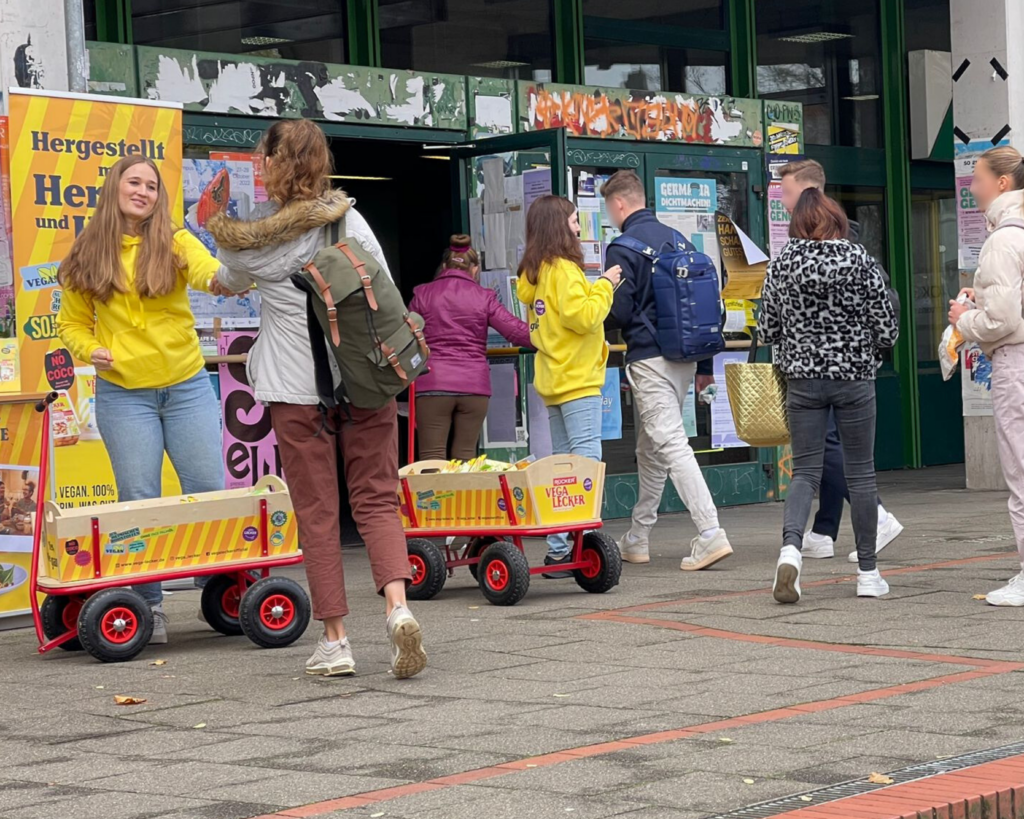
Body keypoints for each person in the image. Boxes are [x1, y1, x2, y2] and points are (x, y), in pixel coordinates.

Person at [208, 119, 426, 678]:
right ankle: (398, 609)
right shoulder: (349, 220)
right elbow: (386, 293)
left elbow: (225, 281)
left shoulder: (251, 244)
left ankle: (336, 641)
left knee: (318, 513)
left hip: (294, 391)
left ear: (273, 165)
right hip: (364, 383)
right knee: (377, 498)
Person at [57, 155, 229, 645]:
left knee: (208, 489)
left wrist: (232, 273)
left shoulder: (175, 240)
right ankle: (148, 606)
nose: (143, 191)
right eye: (134, 182)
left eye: (151, 186)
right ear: (115, 188)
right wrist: (91, 350)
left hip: (187, 385)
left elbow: (209, 274)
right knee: (139, 501)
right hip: (123, 394)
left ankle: (225, 589)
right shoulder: (87, 252)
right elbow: (70, 323)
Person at [758, 188, 898, 604]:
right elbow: (887, 328)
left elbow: (766, 329)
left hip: (801, 381)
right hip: (855, 378)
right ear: (836, 218)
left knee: (805, 472)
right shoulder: (859, 260)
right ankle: (868, 573)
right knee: (861, 472)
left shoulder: (782, 264)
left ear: (797, 225)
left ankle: (790, 551)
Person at [602, 170, 732, 570]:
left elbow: (619, 311)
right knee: (650, 446)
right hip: (685, 356)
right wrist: (705, 364)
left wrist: (594, 303)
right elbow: (709, 302)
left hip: (649, 358)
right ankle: (638, 536)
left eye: (610, 207)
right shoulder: (679, 239)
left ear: (619, 204)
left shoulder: (622, 248)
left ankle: (711, 532)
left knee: (669, 441)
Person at [516, 195, 621, 578]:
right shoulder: (564, 269)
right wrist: (606, 284)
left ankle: (559, 548)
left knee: (562, 465)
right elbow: (585, 316)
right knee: (585, 463)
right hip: (578, 378)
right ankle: (583, 537)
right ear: (561, 226)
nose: (579, 228)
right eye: (576, 221)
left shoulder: (535, 272)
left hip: (554, 378)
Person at [948, 146, 1024, 606]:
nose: (971, 185)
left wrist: (962, 318)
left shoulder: (1001, 240)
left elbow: (1001, 320)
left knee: (1019, 468)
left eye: (977, 177)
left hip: (1015, 362)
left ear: (1001, 183)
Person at [409, 236, 531, 461]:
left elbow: (407, 336)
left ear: (445, 266)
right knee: (465, 456)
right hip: (474, 387)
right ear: (475, 269)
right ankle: (462, 497)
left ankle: (433, 497)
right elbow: (514, 330)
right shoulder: (484, 297)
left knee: (431, 457)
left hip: (432, 383)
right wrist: (552, 338)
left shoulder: (422, 294)